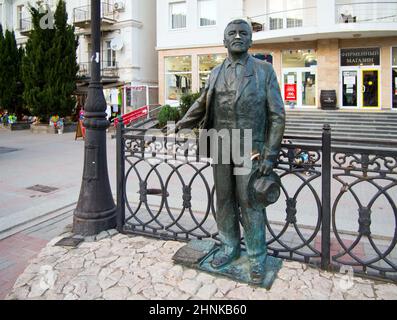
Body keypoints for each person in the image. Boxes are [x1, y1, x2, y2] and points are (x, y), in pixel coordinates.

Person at [173, 19, 285, 284]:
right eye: (232, 33)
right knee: (223, 201)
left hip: (250, 149)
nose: (237, 36)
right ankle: (229, 248)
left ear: (250, 40)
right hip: (220, 144)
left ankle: (257, 257)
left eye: (243, 33)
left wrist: (270, 154)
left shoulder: (263, 71)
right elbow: (202, 103)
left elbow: (277, 115)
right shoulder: (214, 73)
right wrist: (182, 125)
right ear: (224, 41)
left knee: (250, 203)